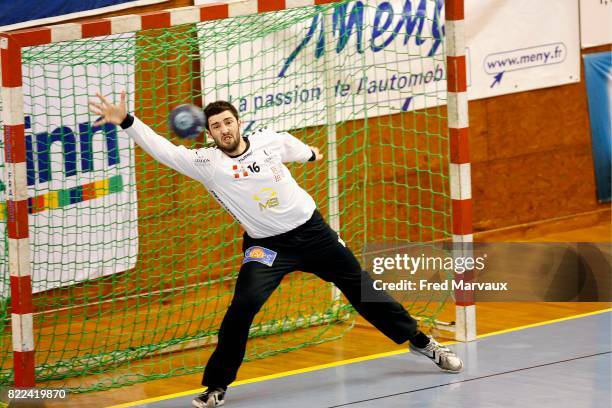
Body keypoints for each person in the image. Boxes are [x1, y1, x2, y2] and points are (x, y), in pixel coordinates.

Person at [89, 91, 464, 408]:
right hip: (267, 247)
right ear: (209, 132)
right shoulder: (208, 164)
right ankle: (217, 386)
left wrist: (312, 155)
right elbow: (164, 151)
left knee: (363, 289)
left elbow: (293, 147)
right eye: (216, 125)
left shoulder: (269, 141)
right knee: (242, 308)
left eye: (228, 122)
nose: (224, 129)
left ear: (239, 122)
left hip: (314, 234)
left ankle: (422, 343)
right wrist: (127, 121)